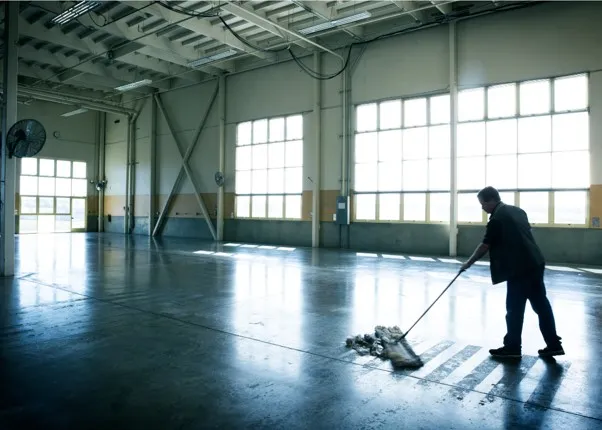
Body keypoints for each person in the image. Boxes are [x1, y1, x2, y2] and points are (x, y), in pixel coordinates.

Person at [460, 186, 564, 359]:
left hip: (519, 268)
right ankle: (554, 344)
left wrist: (468, 263)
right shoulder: (518, 211)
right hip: (535, 262)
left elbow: (485, 245)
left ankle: (512, 348)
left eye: (483, 203)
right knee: (541, 306)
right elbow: (527, 233)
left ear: (491, 200)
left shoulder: (497, 219)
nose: (482, 208)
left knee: (514, 309)